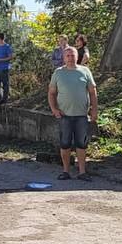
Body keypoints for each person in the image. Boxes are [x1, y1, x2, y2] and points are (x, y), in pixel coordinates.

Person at [48, 45, 97, 181]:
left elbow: (93, 92)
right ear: (64, 58)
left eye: (73, 55)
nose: (70, 58)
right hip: (64, 116)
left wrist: (94, 110)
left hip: (81, 115)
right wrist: (54, 109)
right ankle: (65, 171)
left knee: (81, 144)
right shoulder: (58, 73)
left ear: (77, 57)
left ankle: (82, 172)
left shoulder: (85, 71)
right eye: (68, 55)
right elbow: (51, 93)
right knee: (65, 144)